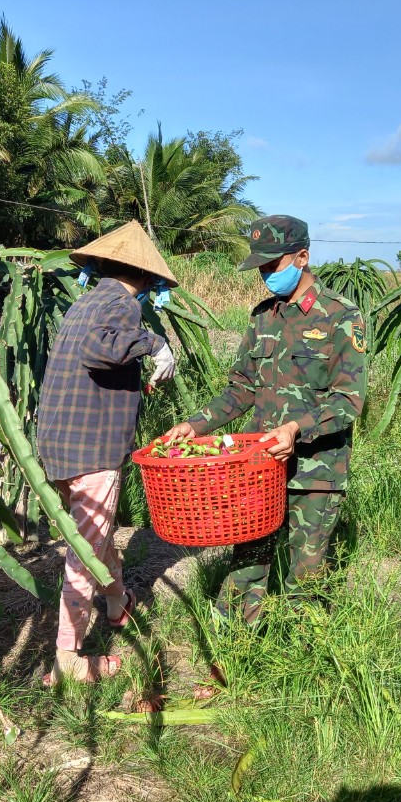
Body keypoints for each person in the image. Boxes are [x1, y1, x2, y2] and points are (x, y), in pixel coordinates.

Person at [161, 215, 367, 624]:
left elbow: (348, 399)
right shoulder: (263, 317)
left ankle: (301, 665)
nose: (265, 276)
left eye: (273, 266)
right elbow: (241, 389)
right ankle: (230, 655)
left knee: (305, 576)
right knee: (246, 563)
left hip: (316, 472)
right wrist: (196, 424)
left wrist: (297, 428)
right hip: (259, 466)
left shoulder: (341, 316)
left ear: (302, 257)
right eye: (261, 268)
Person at [36, 220, 178, 683]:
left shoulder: (85, 302)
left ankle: (117, 605)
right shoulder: (121, 303)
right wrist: (156, 345)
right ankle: (68, 657)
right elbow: (103, 350)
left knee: (96, 535)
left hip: (59, 444)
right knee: (85, 550)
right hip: (93, 450)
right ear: (145, 276)